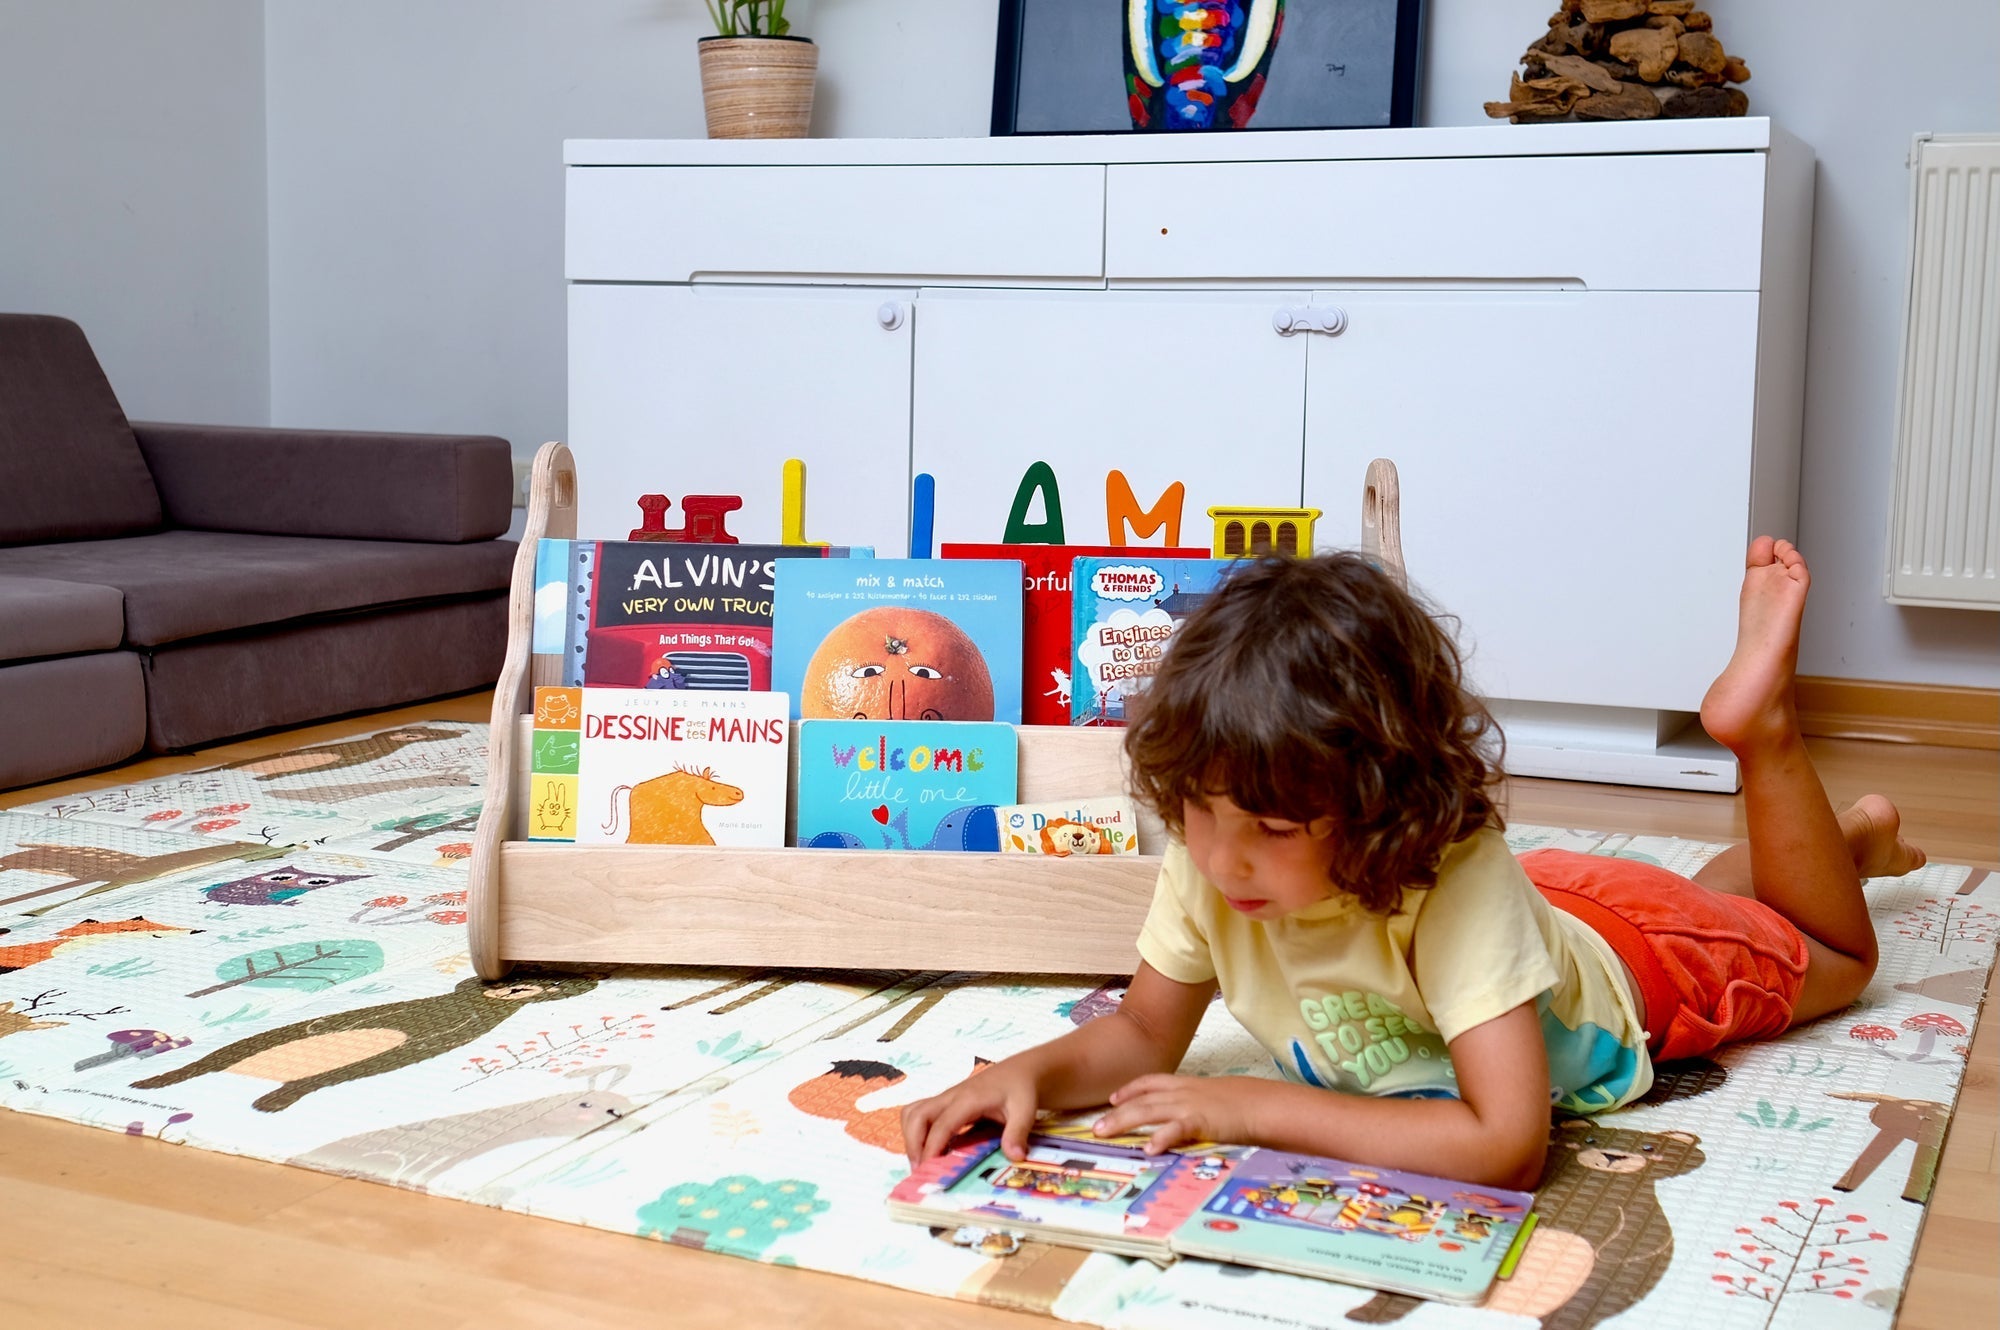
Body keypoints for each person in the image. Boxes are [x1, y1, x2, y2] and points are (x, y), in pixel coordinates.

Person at [901, 539, 1925, 1189]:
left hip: (1640, 963)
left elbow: (1504, 1142)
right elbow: (1137, 1030)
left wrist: (1248, 1105)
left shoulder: (1453, 876)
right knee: (1708, 895)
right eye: (1198, 813)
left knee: (1830, 952)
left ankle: (1766, 736)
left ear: (1381, 810)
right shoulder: (1219, 846)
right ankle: (1843, 841)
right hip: (1540, 921)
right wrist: (1022, 1075)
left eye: (1269, 827)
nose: (1218, 855)